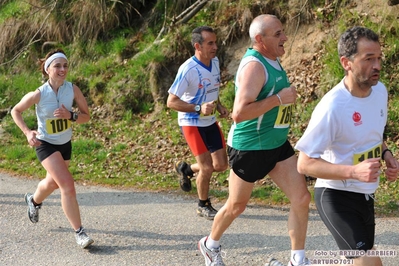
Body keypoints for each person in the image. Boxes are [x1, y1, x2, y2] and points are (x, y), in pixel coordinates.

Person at [198, 15, 311, 266]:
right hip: (250, 147)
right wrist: (279, 99)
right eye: (278, 34)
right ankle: (210, 244)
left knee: (301, 198)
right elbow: (239, 113)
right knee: (236, 206)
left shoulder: (273, 58)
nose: (285, 37)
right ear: (260, 39)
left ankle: (298, 260)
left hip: (277, 144)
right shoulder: (254, 66)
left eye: (283, 32)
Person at [295, 26, 399, 266]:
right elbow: (305, 163)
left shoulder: (380, 92)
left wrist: (387, 154)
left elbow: (373, 134)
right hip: (335, 196)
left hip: (366, 196)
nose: (378, 66)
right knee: (370, 262)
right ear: (346, 62)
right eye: (369, 59)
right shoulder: (332, 106)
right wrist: (353, 172)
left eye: (379, 58)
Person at [11, 48, 94, 249]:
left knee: (53, 183)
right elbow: (16, 111)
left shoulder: (73, 90)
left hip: (65, 144)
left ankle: (34, 200)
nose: (62, 69)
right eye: (57, 66)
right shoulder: (39, 94)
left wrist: (71, 116)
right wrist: (28, 132)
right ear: (48, 69)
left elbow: (86, 116)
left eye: (65, 65)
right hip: (45, 144)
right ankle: (79, 232)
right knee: (67, 184)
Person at [167, 26, 229, 220]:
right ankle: (203, 205)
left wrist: (219, 106)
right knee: (207, 167)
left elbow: (212, 90)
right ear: (197, 46)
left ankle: (186, 169)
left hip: (210, 121)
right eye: (210, 43)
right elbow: (171, 102)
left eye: (215, 42)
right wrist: (197, 108)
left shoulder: (215, 61)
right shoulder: (188, 69)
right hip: (191, 122)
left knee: (220, 165)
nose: (215, 47)